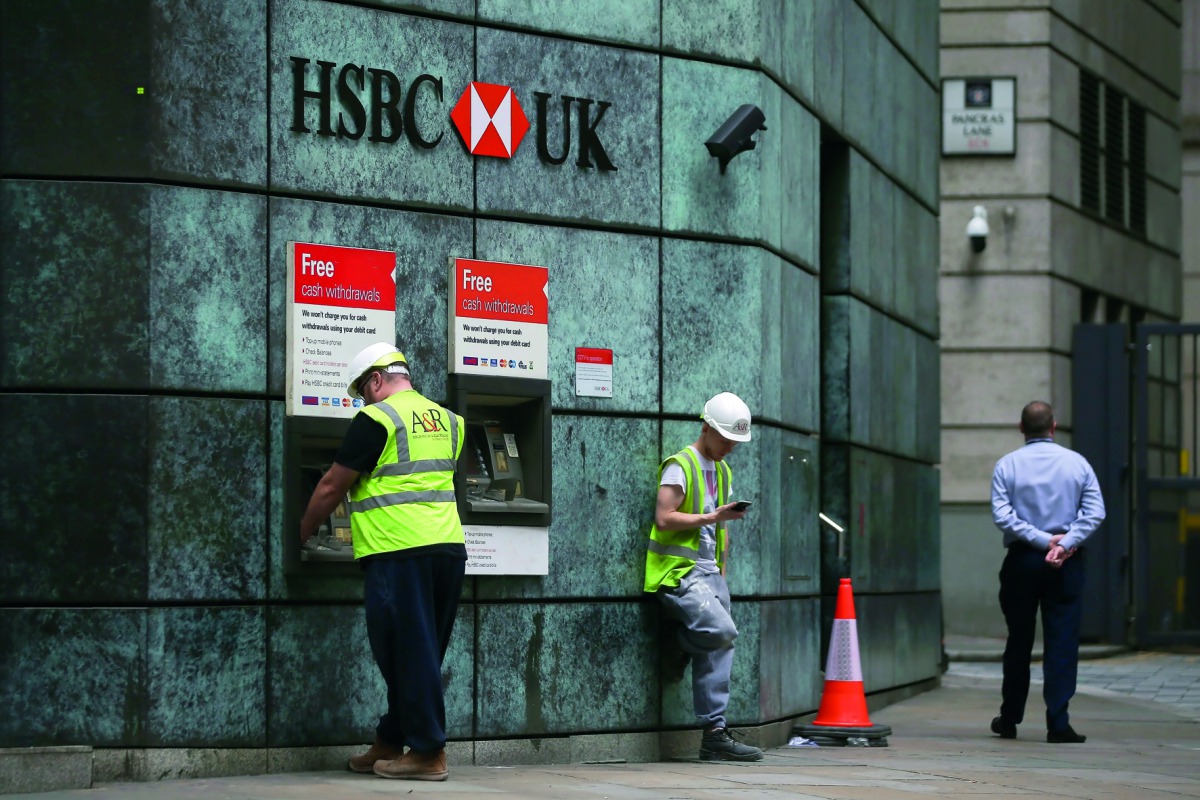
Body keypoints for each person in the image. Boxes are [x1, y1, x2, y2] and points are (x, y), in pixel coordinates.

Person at [300, 342, 466, 781]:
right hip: (447, 550)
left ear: (376, 380)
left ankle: (429, 752)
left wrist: (301, 531)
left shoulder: (376, 419)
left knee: (404, 652)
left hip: (399, 552)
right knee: (418, 651)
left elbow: (332, 486)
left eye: (362, 390)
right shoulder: (451, 422)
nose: (363, 400)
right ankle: (393, 738)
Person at [644, 392, 764, 762]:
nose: (730, 447)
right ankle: (680, 643)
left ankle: (714, 734)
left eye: (735, 442)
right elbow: (664, 517)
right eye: (726, 438)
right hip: (678, 573)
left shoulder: (723, 470)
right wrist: (713, 517)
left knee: (721, 643)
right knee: (722, 632)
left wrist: (722, 573)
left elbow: (719, 534)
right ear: (707, 427)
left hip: (711, 575)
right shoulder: (681, 465)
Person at [989, 400, 1105, 744]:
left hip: (1022, 561)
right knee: (1062, 641)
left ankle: (1009, 718)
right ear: (1053, 426)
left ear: (1021, 427)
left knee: (1019, 641)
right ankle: (1058, 722)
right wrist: (1064, 544)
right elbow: (1095, 512)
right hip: (1065, 564)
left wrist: (1041, 541)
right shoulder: (1077, 463)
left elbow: (1003, 515)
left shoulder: (1007, 465)